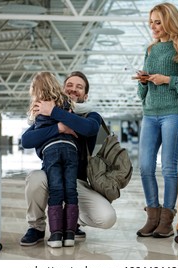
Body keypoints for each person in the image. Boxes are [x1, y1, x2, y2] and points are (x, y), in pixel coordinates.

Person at [20, 71, 117, 246]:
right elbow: (26, 140)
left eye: (79, 87)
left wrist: (55, 111)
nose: (73, 89)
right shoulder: (46, 113)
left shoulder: (91, 115)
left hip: (77, 182)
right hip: (50, 176)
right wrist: (59, 127)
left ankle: (74, 221)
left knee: (107, 218)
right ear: (62, 89)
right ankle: (36, 227)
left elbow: (89, 129)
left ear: (85, 95)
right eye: (70, 85)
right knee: (35, 178)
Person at [134, 3, 178, 238]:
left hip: (173, 113)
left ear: (169, 22)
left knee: (169, 168)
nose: (153, 27)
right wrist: (143, 81)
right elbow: (142, 94)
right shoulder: (151, 50)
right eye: (151, 22)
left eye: (158, 22)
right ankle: (152, 216)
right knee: (144, 166)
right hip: (150, 114)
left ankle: (166, 219)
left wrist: (168, 80)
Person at [27, 72, 79, 248]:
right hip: (71, 150)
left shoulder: (38, 107)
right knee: (71, 190)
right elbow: (25, 140)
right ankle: (70, 235)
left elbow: (34, 134)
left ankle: (56, 236)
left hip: (51, 151)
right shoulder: (65, 103)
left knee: (56, 190)